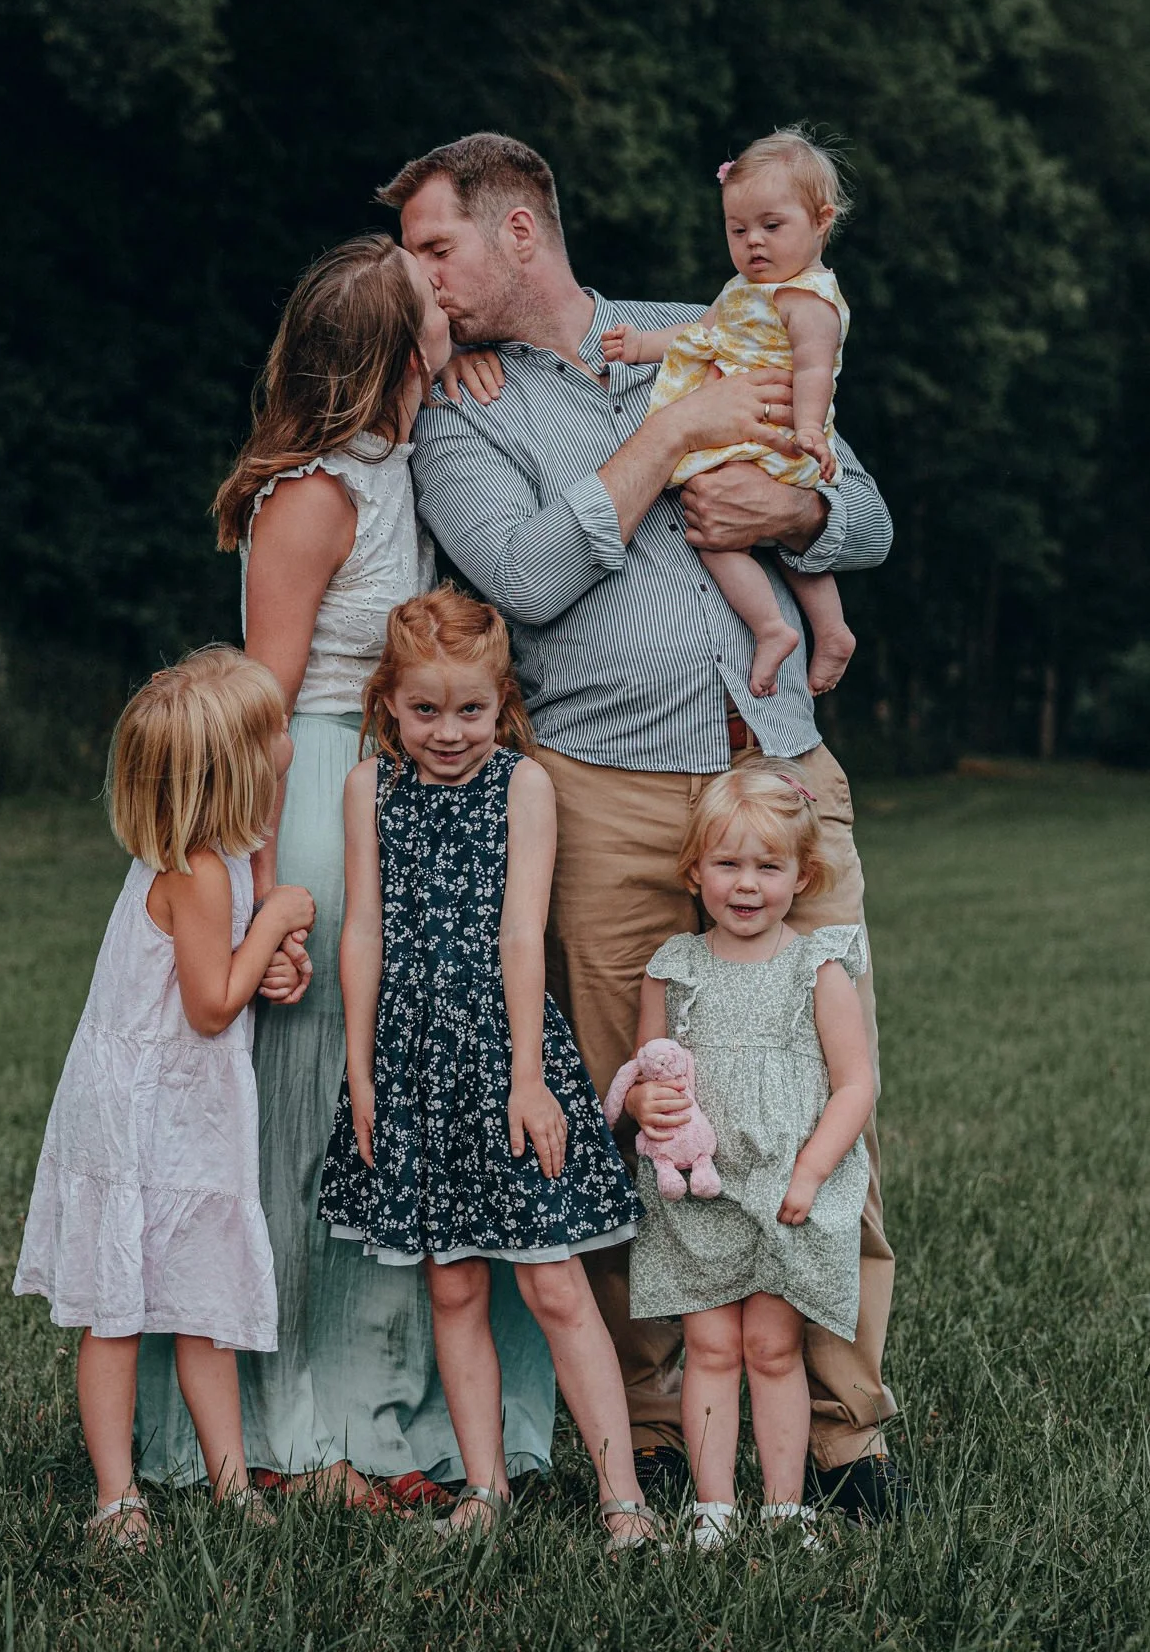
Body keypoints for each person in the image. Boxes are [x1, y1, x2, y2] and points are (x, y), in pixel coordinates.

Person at [382, 131, 905, 1522]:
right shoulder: (461, 415)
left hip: (774, 769)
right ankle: (672, 1434)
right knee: (641, 1112)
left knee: (816, 1093)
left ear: (516, 234)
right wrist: (668, 434)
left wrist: (797, 503)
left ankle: (840, 1439)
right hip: (604, 794)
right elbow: (526, 578)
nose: (416, 281)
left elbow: (867, 510)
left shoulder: (710, 323)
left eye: (435, 250)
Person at [134, 235, 554, 1506]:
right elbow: (259, 701)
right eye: (435, 301)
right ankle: (307, 1425)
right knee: (320, 1103)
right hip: (313, 791)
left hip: (400, 787)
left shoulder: (401, 455)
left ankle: (406, 1409)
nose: (455, 302)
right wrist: (264, 894)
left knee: (409, 1094)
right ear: (389, 347)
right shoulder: (313, 492)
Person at [319, 587, 660, 1546]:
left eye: (469, 708)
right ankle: (482, 1491)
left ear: (500, 699)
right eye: (425, 709)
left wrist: (527, 1077)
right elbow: (362, 936)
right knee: (453, 1282)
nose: (448, 731)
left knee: (553, 1281)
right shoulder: (369, 790)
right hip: (408, 1061)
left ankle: (622, 1498)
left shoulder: (523, 786)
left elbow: (521, 935)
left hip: (504, 1054)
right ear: (388, 701)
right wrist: (360, 1069)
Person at [13, 647, 315, 1548]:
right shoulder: (201, 873)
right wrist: (275, 923)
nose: (288, 744)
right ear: (234, 770)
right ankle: (117, 1498)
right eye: (272, 735)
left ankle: (230, 1486)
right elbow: (211, 1004)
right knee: (117, 1313)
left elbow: (224, 978)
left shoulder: (208, 850)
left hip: (180, 1110)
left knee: (199, 1303)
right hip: (148, 1114)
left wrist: (267, 953)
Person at [619, 761, 874, 1550]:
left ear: (802, 875)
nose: (746, 884)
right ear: (694, 872)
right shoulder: (674, 966)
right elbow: (645, 1069)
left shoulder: (816, 966)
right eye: (727, 864)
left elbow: (855, 1083)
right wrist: (637, 1104)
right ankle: (713, 1508)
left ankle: (785, 1509)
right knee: (709, 1345)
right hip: (700, 1192)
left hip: (787, 1188)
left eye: (768, 866)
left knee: (771, 1346)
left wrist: (810, 1171)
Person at [600, 128, 856, 698]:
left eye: (771, 226)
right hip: (736, 424)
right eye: (738, 230)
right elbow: (701, 333)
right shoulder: (745, 289)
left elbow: (815, 372)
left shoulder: (808, 302)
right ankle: (829, 629)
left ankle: (777, 628)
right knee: (749, 528)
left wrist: (811, 430)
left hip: (775, 434)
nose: (753, 243)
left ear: (821, 221)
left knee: (720, 530)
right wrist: (640, 346)